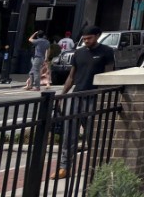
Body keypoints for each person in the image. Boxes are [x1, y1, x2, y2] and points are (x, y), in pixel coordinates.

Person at [55, 26, 116, 179]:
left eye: (89, 38)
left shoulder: (107, 52)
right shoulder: (79, 52)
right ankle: (65, 167)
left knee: (92, 134)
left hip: (94, 96)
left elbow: (109, 75)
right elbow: (71, 76)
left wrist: (104, 96)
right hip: (76, 95)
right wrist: (63, 95)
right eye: (84, 38)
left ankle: (96, 167)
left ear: (97, 36)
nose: (86, 41)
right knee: (69, 134)